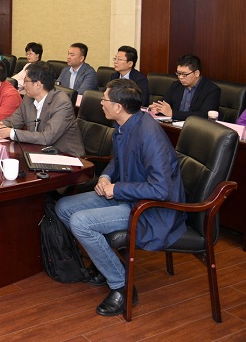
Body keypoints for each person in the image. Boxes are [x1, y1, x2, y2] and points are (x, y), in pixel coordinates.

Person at [55, 78, 186, 316]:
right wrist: (106, 177)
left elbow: (161, 190)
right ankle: (103, 263)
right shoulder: (126, 124)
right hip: (128, 195)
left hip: (152, 208)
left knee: (80, 222)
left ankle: (122, 285)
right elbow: (118, 159)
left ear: (118, 107)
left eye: (104, 99)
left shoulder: (149, 134)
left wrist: (116, 189)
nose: (101, 103)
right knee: (64, 207)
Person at [0, 61, 85, 157]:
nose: (23, 85)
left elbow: (46, 138)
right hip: (38, 152)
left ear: (38, 85)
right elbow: (14, 121)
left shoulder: (62, 103)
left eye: (26, 81)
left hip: (66, 156)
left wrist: (10, 132)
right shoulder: (28, 99)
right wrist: (0, 126)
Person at [148, 54, 220, 121]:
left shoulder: (212, 90)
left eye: (184, 74)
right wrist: (157, 108)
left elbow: (204, 115)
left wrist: (172, 113)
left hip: (195, 128)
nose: (180, 77)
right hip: (173, 125)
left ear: (196, 73)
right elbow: (164, 103)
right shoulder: (176, 85)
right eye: (178, 73)